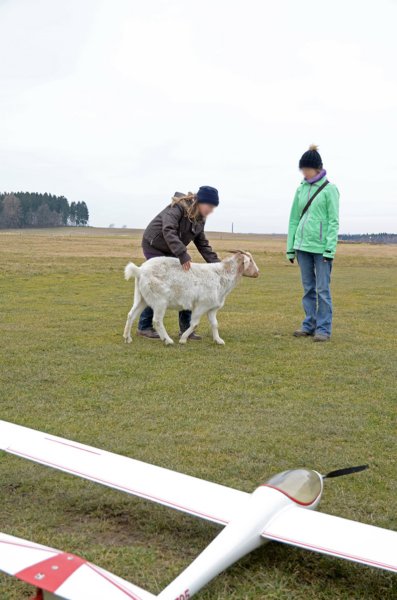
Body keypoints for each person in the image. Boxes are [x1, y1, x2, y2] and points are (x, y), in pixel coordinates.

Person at [137, 186, 220, 340]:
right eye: (210, 206)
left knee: (186, 284)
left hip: (173, 249)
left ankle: (186, 330)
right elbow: (168, 230)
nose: (211, 211)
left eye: (213, 208)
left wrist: (218, 266)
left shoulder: (200, 219)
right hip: (154, 245)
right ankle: (144, 327)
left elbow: (202, 244)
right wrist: (182, 254)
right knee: (156, 285)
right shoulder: (177, 208)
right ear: (200, 202)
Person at [286, 145, 340, 342]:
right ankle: (308, 324)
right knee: (308, 288)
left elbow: (334, 221)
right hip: (302, 248)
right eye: (302, 169)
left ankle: (323, 329)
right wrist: (290, 248)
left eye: (307, 169)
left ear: (317, 168)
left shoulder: (330, 190)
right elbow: (293, 219)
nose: (304, 172)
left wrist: (329, 248)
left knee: (322, 290)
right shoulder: (300, 189)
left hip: (321, 250)